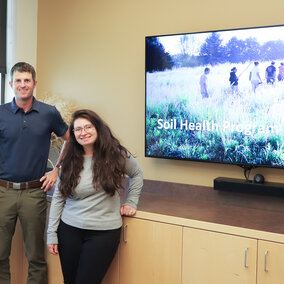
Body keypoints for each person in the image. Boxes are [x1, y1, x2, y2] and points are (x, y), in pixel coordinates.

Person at [47, 109, 143, 284]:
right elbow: (59, 198)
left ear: (97, 128)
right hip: (69, 231)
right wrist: (51, 233)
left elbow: (137, 173)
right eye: (78, 129)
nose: (83, 133)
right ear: (74, 134)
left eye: (88, 127)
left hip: (103, 234)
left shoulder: (115, 154)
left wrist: (131, 202)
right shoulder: (70, 159)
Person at [0, 62, 69, 284]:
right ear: (11, 84)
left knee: (36, 257)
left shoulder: (49, 113)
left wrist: (57, 169)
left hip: (34, 193)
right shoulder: (0, 113)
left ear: (34, 83)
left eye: (27, 80)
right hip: (3, 192)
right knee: (0, 255)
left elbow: (71, 140)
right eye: (18, 80)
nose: (22, 85)